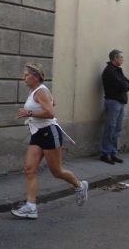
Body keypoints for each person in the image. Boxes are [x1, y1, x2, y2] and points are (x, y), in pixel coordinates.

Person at [11, 62, 88, 219]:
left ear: (36, 76)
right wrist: (35, 110)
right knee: (29, 169)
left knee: (56, 172)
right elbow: (52, 103)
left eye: (26, 75)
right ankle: (31, 207)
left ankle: (80, 186)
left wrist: (29, 112)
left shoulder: (41, 91)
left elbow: (50, 113)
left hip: (49, 133)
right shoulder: (37, 91)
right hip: (38, 134)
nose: (23, 78)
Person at [100, 50, 129, 165]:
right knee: (110, 128)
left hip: (120, 103)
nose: (123, 59)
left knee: (117, 129)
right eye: (121, 57)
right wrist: (126, 84)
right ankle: (105, 153)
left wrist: (126, 84)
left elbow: (128, 83)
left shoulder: (118, 71)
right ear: (115, 58)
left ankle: (113, 153)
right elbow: (122, 85)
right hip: (113, 102)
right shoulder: (110, 71)